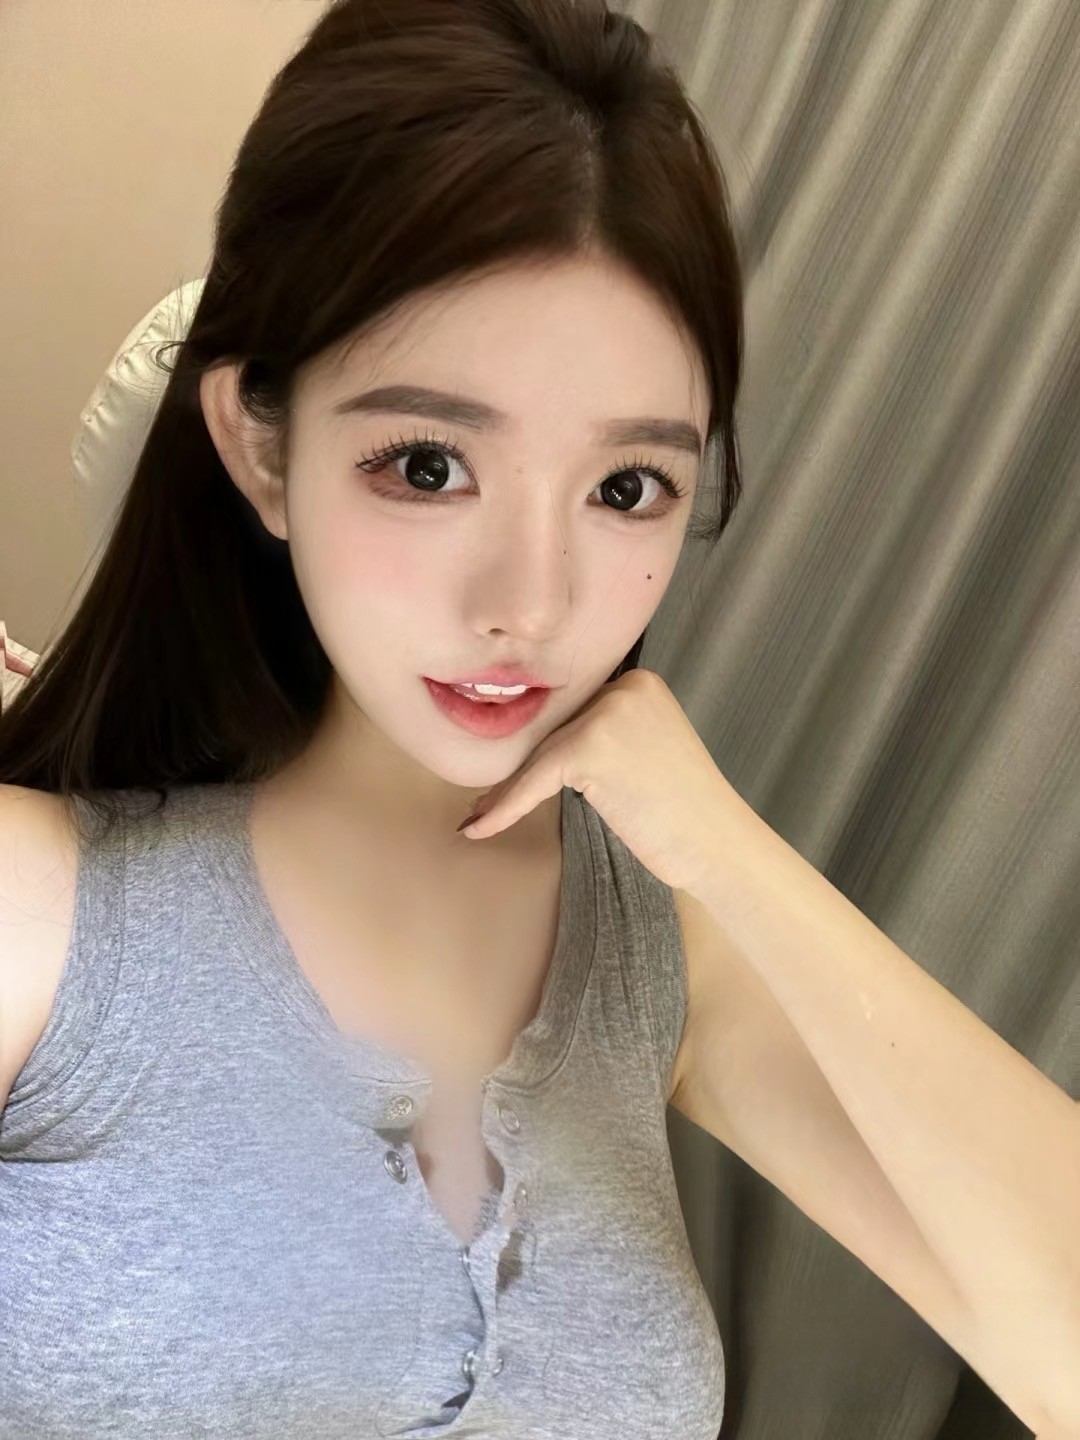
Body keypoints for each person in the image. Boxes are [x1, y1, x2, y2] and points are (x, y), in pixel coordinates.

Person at [0, 1, 743, 1434]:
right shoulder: (42, 915)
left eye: (626, 488)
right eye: (428, 464)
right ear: (260, 449)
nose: (531, 602)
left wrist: (728, 845)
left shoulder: (673, 939)